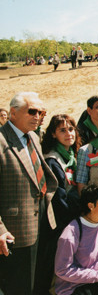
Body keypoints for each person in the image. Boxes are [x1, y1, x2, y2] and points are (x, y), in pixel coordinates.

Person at [0, 92, 58, 294]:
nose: (37, 116)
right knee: (20, 287)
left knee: (40, 282)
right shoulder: (1, 141)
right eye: (32, 111)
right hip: (16, 230)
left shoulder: (33, 136)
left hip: (43, 220)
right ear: (12, 113)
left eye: (40, 112)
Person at [33, 114, 82, 294]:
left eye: (71, 129)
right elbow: (58, 198)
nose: (69, 133)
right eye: (62, 130)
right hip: (60, 223)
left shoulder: (72, 155)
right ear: (53, 134)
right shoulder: (53, 160)